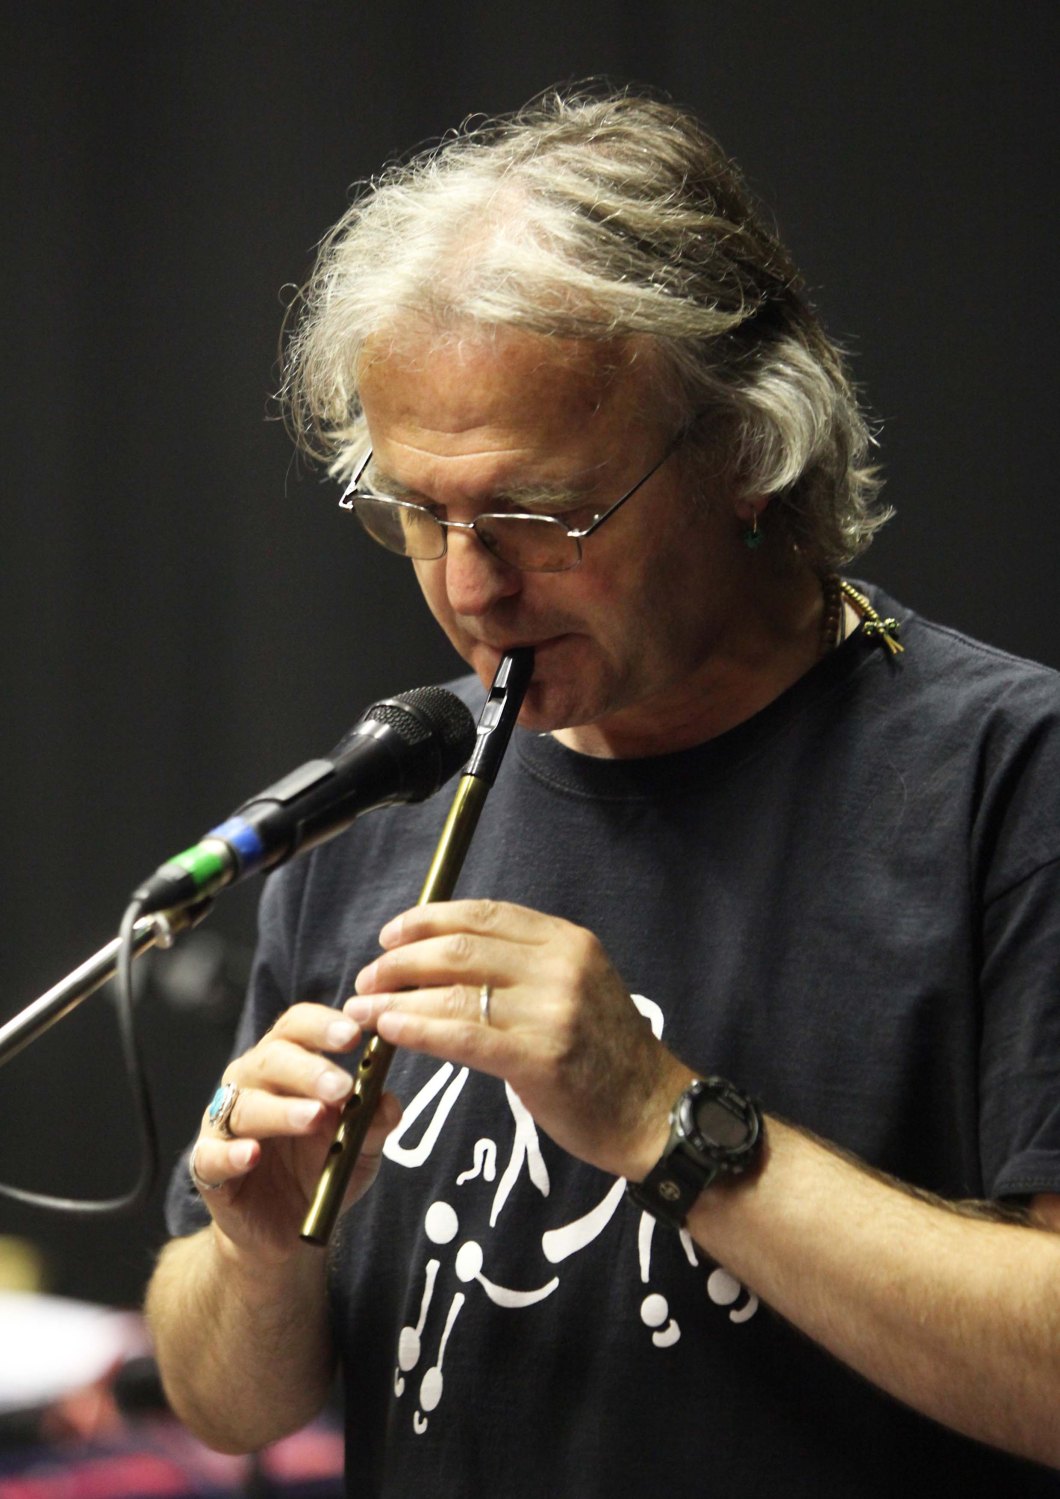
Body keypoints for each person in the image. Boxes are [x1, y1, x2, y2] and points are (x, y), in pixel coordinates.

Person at [144, 89, 1060, 1495]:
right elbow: (226, 1405)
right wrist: (261, 1257)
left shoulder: (1009, 779)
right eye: (421, 512)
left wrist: (659, 1119)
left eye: (539, 515)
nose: (472, 587)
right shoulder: (391, 790)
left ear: (748, 451)